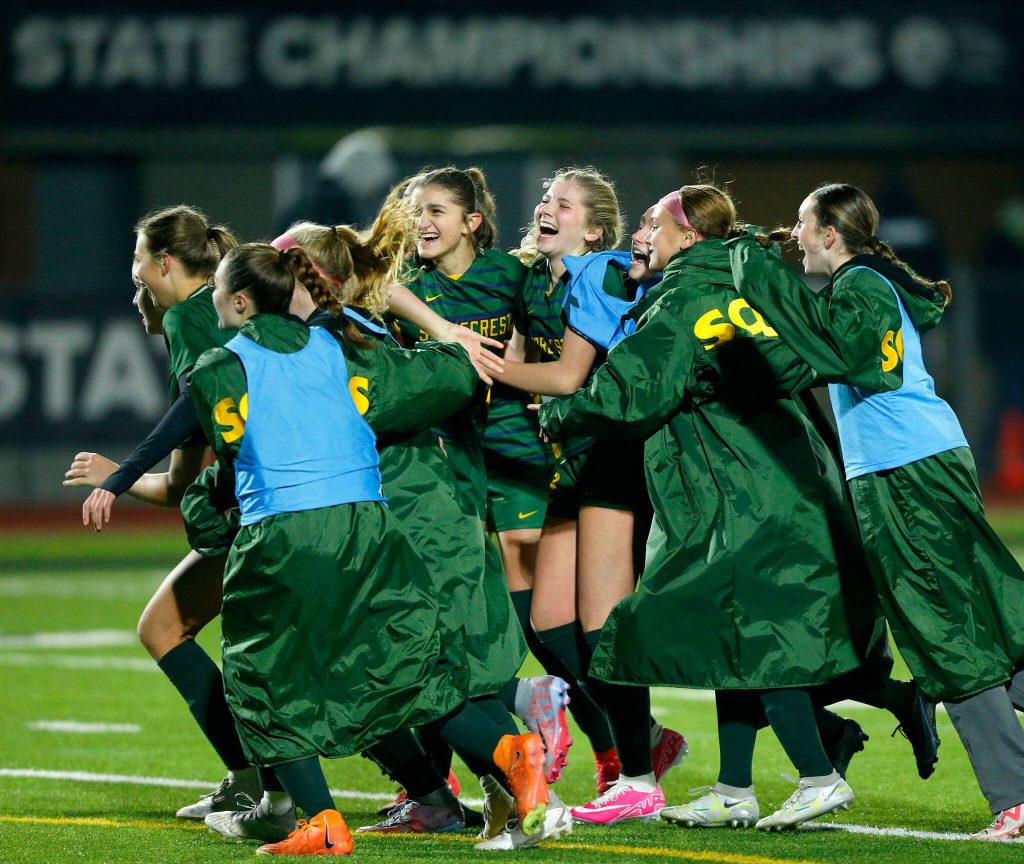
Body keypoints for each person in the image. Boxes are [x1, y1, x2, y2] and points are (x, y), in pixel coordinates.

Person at [538, 183, 898, 831]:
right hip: (780, 485)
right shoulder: (741, 284)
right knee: (735, 637)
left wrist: (561, 413)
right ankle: (734, 788)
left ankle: (817, 776)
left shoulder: (680, 300)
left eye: (652, 223)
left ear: (689, 237)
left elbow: (633, 395)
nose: (640, 235)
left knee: (691, 636)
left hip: (740, 497)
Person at [182, 241, 554, 855]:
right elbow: (439, 379)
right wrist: (454, 343)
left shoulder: (219, 365)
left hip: (285, 531)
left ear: (242, 302)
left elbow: (237, 454)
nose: (211, 299)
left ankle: (322, 821)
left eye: (218, 289)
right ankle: (511, 752)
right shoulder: (343, 346)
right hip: (370, 528)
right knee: (403, 672)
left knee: (262, 678)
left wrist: (207, 516)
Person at [730, 181, 1024, 840]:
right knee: (981, 617)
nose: (797, 237)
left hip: (905, 470)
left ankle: (1016, 797)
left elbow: (837, 356)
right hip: (912, 464)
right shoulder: (864, 284)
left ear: (829, 234)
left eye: (804, 226)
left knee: (946, 631)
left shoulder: (858, 287)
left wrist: (757, 278)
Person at [64, 205, 264, 820]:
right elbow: (190, 475)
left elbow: (187, 478)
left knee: (166, 631)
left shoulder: (189, 318)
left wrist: (117, 477)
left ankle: (260, 784)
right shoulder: (221, 308)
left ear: (166, 263)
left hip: (257, 510)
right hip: (301, 497)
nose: (134, 282)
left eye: (138, 264)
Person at [497, 203, 689, 822]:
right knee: (550, 627)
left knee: (602, 627)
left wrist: (488, 366)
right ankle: (645, 741)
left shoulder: (602, 271)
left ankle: (637, 768)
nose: (546, 207)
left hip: (612, 452)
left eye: (565, 203)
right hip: (573, 459)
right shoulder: (537, 279)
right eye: (545, 198)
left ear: (595, 229)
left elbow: (572, 375)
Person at [389, 167, 574, 784]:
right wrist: (445, 332)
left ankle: (618, 750)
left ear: (472, 222)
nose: (423, 222)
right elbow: (364, 283)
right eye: (416, 210)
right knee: (450, 615)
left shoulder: (508, 274)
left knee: (519, 613)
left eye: (437, 210)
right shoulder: (406, 282)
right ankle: (454, 774)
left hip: (513, 448)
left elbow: (554, 329)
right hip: (446, 463)